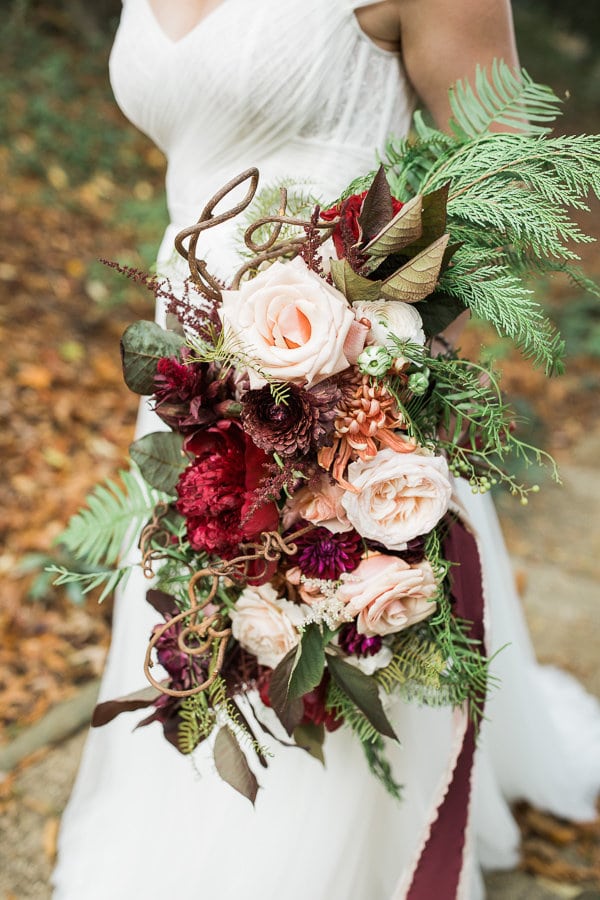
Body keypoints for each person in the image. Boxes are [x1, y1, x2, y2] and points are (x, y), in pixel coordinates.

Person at [52, 2, 600, 898]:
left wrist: (369, 358)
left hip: (347, 368)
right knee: (204, 605)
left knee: (331, 607)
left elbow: (510, 169)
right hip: (192, 349)